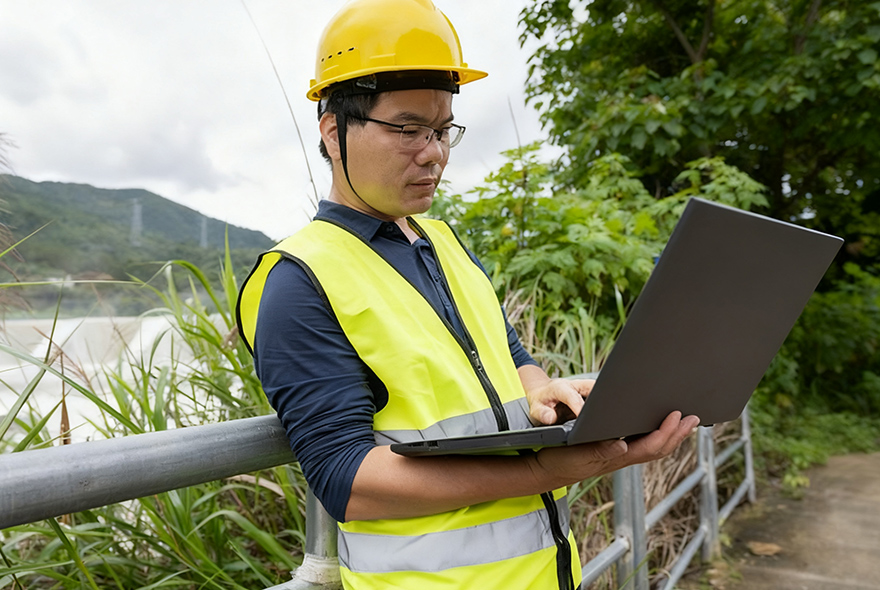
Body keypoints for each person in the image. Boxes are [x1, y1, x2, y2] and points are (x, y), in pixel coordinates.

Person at [236, 1, 699, 588]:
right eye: (407, 129)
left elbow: (510, 355)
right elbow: (347, 480)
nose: (433, 153)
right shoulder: (298, 279)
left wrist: (545, 394)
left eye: (440, 129)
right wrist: (545, 468)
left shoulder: (442, 241)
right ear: (334, 131)